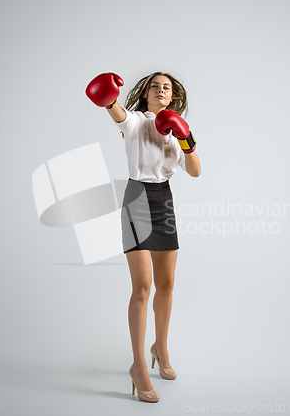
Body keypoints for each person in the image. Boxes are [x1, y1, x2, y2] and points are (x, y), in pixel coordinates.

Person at [86, 71, 201, 402]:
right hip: (137, 199)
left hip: (164, 200)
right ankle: (138, 365)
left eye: (167, 87)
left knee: (167, 285)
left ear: (173, 96)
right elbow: (117, 112)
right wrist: (108, 99)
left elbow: (194, 171)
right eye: (155, 85)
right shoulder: (136, 122)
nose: (161, 90)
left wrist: (185, 134)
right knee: (143, 287)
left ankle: (159, 349)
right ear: (146, 94)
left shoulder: (176, 131)